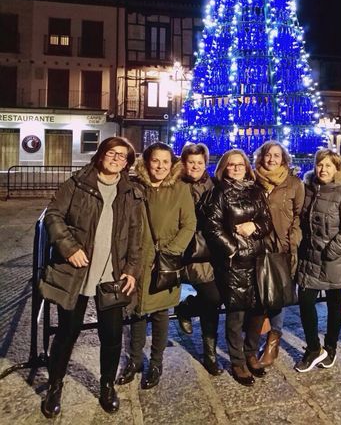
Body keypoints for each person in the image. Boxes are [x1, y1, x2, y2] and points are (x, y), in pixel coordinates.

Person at [39, 136, 143, 418]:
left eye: (123, 156)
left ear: (128, 163)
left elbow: (136, 235)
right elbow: (53, 215)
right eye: (112, 153)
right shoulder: (77, 184)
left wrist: (132, 269)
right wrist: (69, 248)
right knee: (67, 332)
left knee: (112, 335)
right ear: (101, 154)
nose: (117, 159)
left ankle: (107, 386)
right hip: (78, 273)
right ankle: (55, 386)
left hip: (112, 275)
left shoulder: (130, 192)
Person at [116, 142, 196, 389]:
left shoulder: (180, 189)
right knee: (137, 312)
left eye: (165, 161)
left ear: (172, 164)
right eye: (155, 161)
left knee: (161, 314)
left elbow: (189, 225)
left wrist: (170, 253)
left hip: (163, 262)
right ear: (147, 162)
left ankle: (156, 362)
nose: (160, 166)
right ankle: (134, 360)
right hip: (137, 261)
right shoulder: (134, 186)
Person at [202, 149, 273, 386]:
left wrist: (255, 226)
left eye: (240, 165)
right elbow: (212, 227)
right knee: (237, 313)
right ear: (224, 168)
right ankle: (237, 361)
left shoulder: (256, 191)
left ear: (246, 167)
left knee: (258, 310)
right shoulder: (219, 193)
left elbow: (267, 220)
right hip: (234, 263)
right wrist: (232, 249)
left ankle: (251, 352)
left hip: (258, 260)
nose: (236, 169)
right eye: (231, 165)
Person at [294, 149, 341, 373]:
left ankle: (330, 347)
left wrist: (331, 251)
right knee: (305, 301)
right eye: (320, 164)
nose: (323, 169)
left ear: (337, 169)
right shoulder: (308, 189)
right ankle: (314, 348)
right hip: (309, 258)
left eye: (328, 166)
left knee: (334, 305)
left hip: (334, 260)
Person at [253, 141, 305, 367]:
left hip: (282, 248)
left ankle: (273, 341)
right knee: (257, 295)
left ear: (283, 159)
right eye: (268, 155)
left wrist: (293, 239)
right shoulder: (254, 180)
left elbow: (300, 215)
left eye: (276, 155)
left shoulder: (293, 184)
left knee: (277, 296)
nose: (272, 159)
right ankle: (254, 339)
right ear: (261, 157)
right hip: (256, 247)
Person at [175, 142, 224, 375]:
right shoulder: (175, 185)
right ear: (183, 163)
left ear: (206, 164)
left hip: (212, 251)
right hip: (189, 252)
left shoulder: (214, 185)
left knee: (213, 299)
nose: (195, 166)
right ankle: (209, 354)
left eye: (200, 162)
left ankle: (188, 308)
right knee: (212, 298)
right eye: (191, 162)